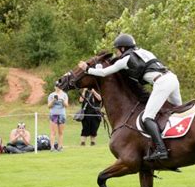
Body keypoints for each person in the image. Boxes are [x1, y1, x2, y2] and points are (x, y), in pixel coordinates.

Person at [78, 33, 182, 161]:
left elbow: (105, 72)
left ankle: (161, 149)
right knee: (178, 111)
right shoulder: (143, 51)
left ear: (122, 48)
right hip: (172, 78)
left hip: (161, 83)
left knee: (147, 117)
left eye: (117, 50)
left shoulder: (126, 59)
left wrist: (87, 69)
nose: (116, 53)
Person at [48, 85, 68, 152]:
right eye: (56, 86)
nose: (58, 87)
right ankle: (52, 147)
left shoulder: (64, 95)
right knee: (53, 132)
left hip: (62, 115)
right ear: (54, 87)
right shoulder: (51, 95)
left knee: (61, 132)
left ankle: (60, 147)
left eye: (59, 86)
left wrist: (62, 100)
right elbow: (49, 106)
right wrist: (54, 100)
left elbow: (66, 105)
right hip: (54, 115)